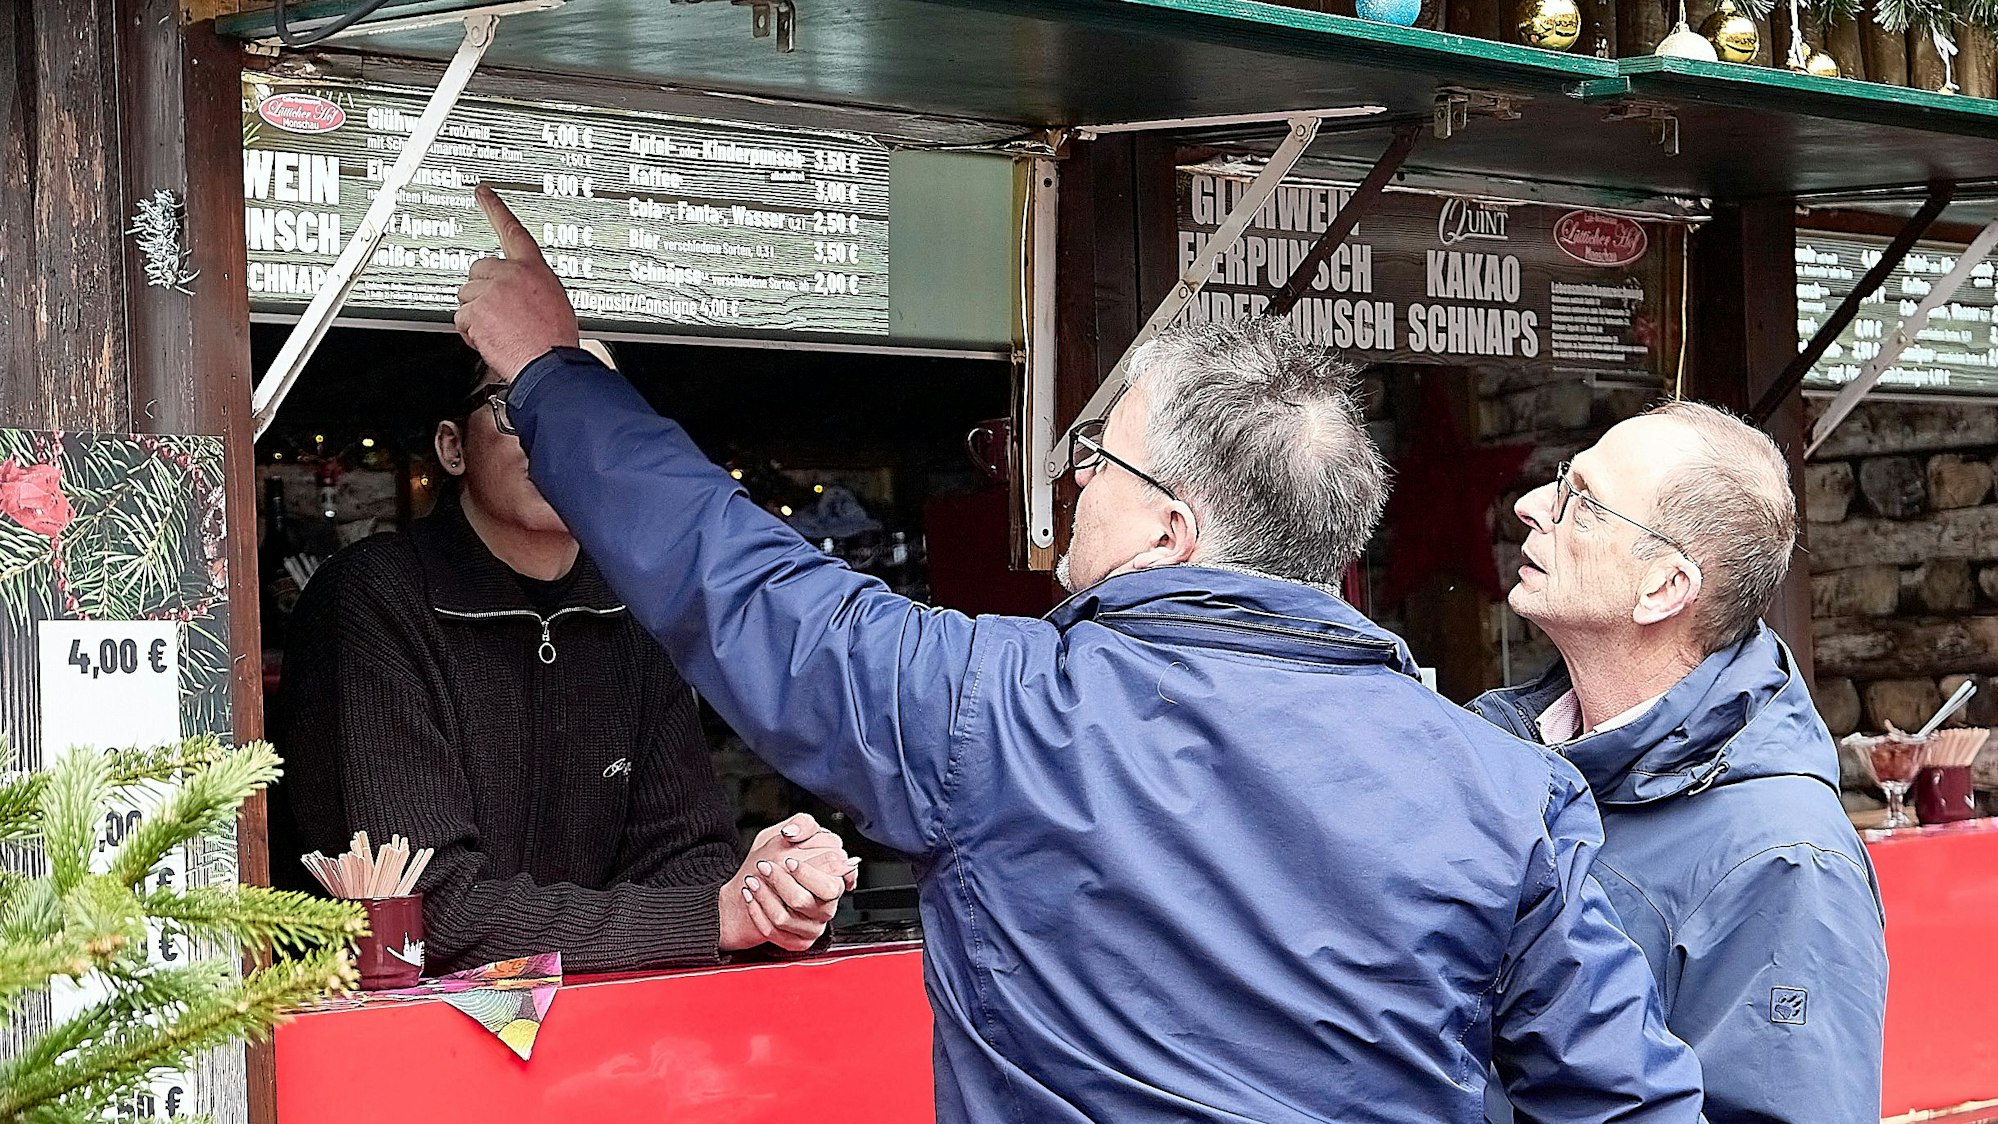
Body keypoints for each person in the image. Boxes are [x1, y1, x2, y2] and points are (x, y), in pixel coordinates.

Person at [453, 185, 1704, 1122]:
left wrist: (551, 377)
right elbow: (1627, 1099)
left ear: (1174, 524)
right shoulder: (1507, 788)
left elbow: (741, 583)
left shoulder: (996, 711)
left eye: (1100, 456)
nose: (1073, 477)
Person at [273, 356, 855, 975]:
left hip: (599, 1038)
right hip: (385, 1042)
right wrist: (708, 916)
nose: (556, 429)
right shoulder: (373, 597)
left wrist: (771, 895)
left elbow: (691, 864)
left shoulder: (636, 606)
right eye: (517, 400)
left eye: (591, 405)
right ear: (452, 447)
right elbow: (424, 912)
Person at [1470, 401, 1888, 1123]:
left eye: (1585, 504)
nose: (1534, 506)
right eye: (1564, 480)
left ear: (1664, 588)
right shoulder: (1506, 753)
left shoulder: (1787, 860)